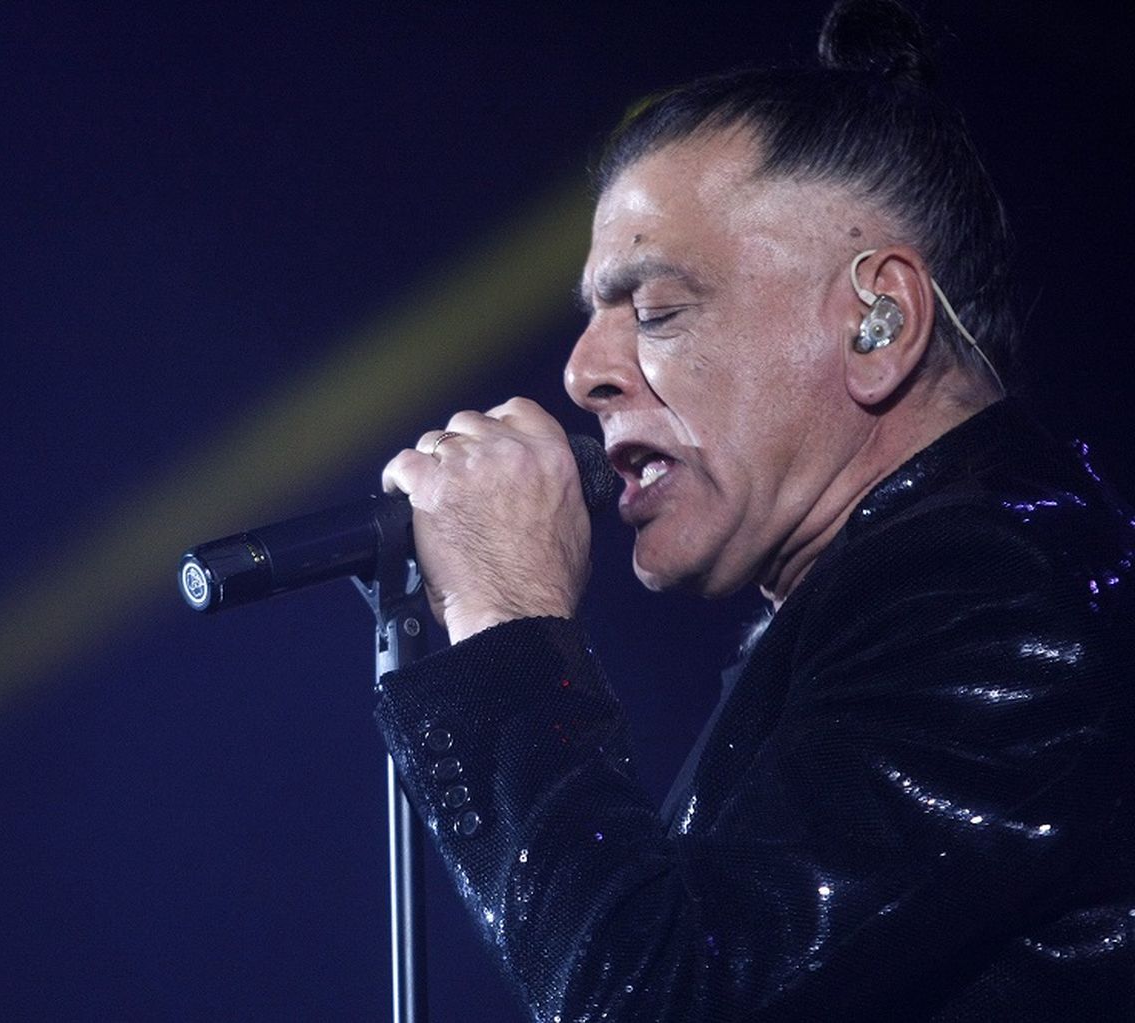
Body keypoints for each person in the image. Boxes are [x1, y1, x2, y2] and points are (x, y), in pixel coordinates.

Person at [376, 1, 1135, 1019]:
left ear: (879, 322)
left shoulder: (996, 600)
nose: (582, 371)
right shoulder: (897, 601)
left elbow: (660, 998)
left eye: (657, 310)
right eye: (594, 316)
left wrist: (506, 620)